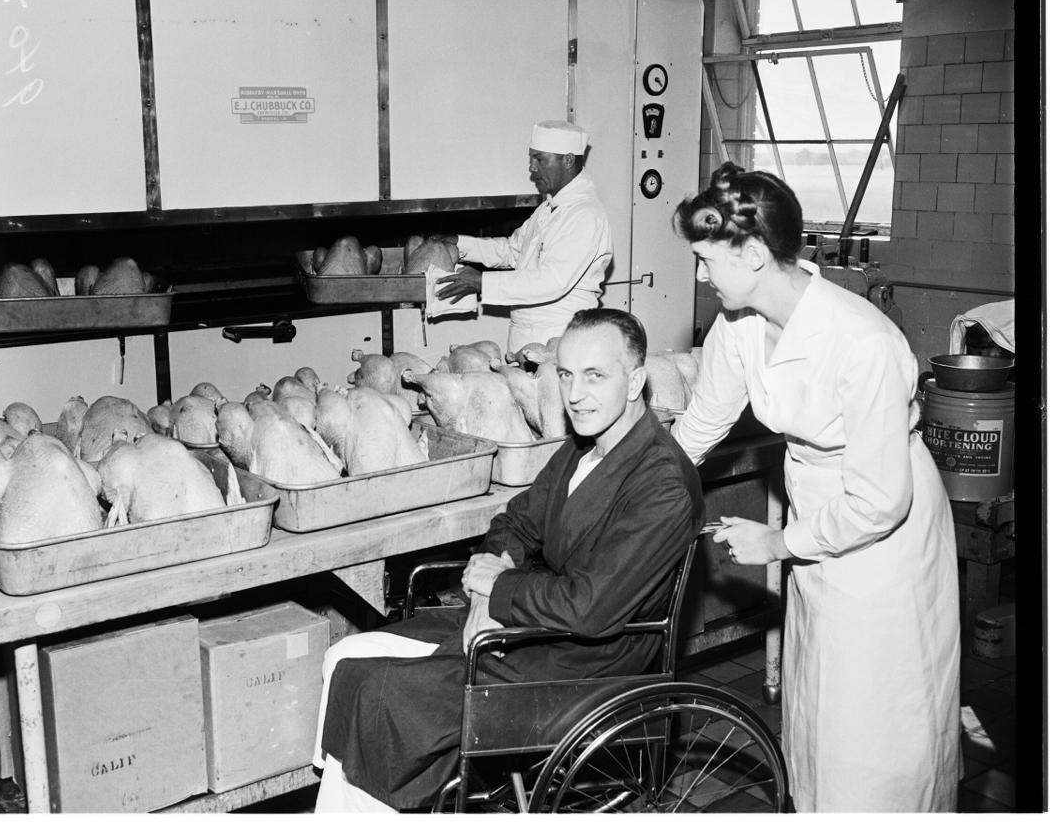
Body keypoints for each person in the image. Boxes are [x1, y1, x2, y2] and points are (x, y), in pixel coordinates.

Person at [312, 308, 702, 812]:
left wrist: (498, 589)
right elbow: (515, 522)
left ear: (635, 382)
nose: (575, 394)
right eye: (565, 374)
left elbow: (591, 606)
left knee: (381, 695)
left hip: (585, 659)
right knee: (343, 658)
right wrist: (482, 593)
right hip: (532, 619)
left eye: (594, 376)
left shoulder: (661, 482)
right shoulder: (583, 449)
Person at [669, 161, 961, 812]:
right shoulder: (738, 327)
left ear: (750, 253)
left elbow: (882, 501)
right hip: (815, 517)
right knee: (822, 702)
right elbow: (700, 427)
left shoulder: (862, 340)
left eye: (705, 259)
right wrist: (626, 486)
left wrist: (778, 543)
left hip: (884, 534)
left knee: (879, 712)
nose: (699, 275)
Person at [433, 120, 613, 352]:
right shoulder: (548, 209)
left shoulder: (585, 215)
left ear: (568, 160)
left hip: (562, 337)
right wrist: (459, 243)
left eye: (540, 159)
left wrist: (481, 283)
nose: (532, 168)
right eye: (531, 159)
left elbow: (552, 281)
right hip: (526, 333)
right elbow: (512, 250)